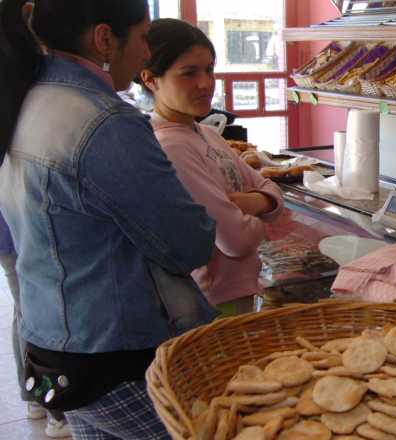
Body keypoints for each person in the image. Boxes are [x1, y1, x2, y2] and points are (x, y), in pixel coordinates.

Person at [0, 1, 217, 438]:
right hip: (116, 356)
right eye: (142, 38)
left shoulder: (27, 98)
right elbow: (186, 244)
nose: (144, 56)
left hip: (52, 345)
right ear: (103, 39)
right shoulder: (103, 122)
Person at [138, 18, 284, 315]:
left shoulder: (205, 134)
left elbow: (272, 190)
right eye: (189, 73)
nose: (205, 84)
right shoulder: (171, 147)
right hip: (211, 299)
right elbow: (236, 241)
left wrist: (252, 201)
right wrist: (263, 216)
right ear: (150, 79)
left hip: (235, 290)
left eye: (209, 70)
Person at [1, 212, 70, 438]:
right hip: (19, 227)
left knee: (23, 314)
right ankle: (56, 414)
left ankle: (35, 398)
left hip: (9, 231)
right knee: (35, 318)